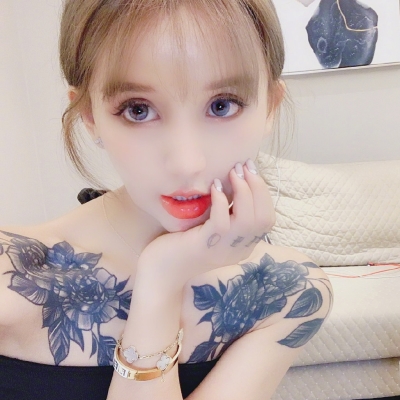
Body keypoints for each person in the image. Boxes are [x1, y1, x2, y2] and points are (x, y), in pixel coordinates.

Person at [0, 1, 333, 399]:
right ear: (89, 115)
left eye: (222, 105)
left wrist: (162, 279)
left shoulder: (287, 291)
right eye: (138, 110)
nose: (187, 163)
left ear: (269, 108)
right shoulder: (11, 274)